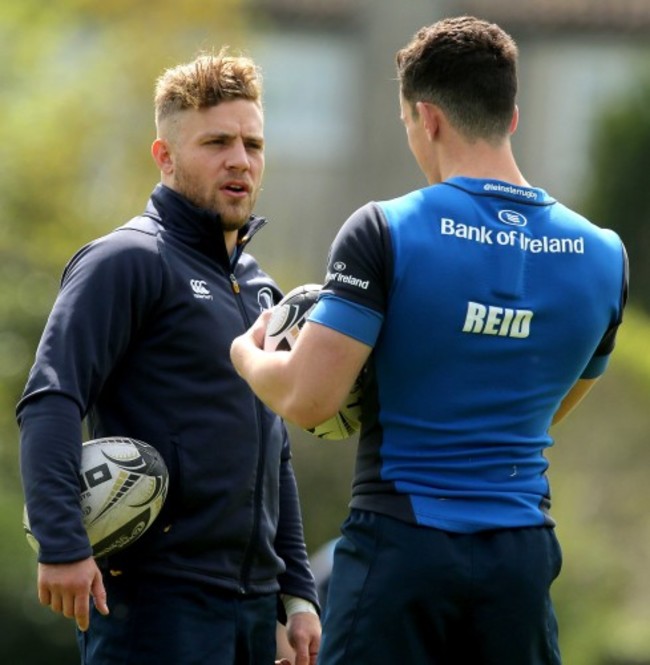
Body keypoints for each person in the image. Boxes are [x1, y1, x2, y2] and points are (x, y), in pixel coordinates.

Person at [230, 16, 628, 665]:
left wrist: (246, 356)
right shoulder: (605, 256)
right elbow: (552, 404)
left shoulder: (386, 230)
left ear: (427, 117)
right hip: (519, 562)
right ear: (513, 117)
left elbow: (308, 397)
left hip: (400, 551)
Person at [17, 48, 321, 665]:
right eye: (216, 142)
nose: (239, 160)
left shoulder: (261, 288)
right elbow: (51, 399)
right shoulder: (126, 261)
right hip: (153, 606)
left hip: (250, 610)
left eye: (253, 145)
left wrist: (296, 593)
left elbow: (274, 447)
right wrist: (62, 544)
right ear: (165, 156)